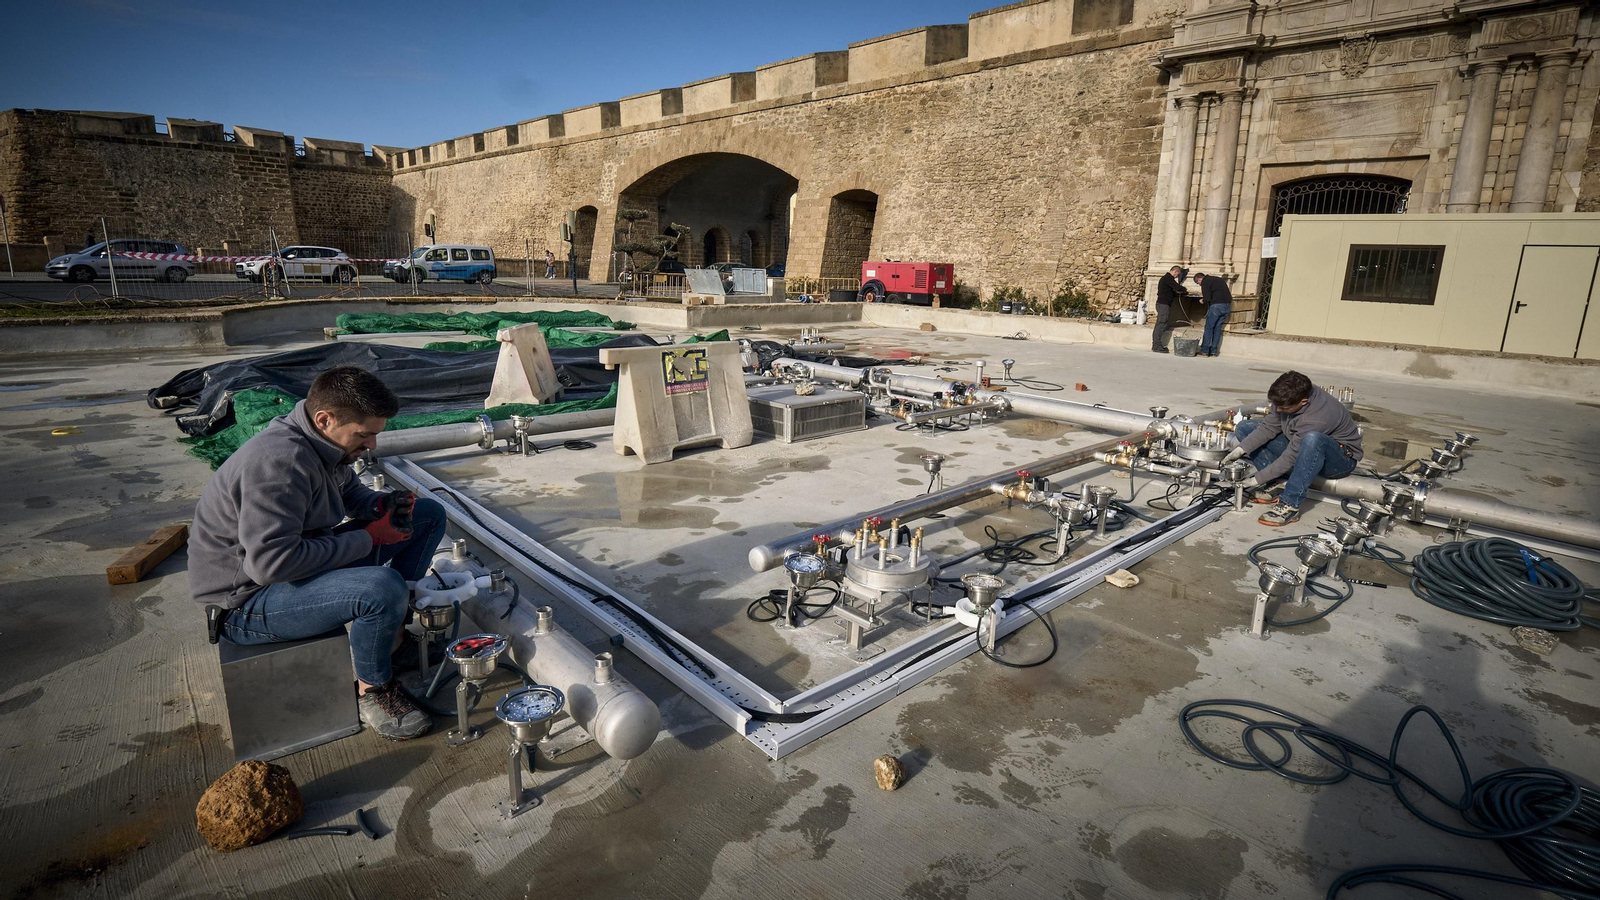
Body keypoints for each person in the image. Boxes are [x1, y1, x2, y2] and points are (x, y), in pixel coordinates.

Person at [189, 366, 447, 740]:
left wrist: (382, 506)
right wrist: (371, 538)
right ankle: (373, 690)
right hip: (246, 603)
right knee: (380, 588)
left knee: (427, 516)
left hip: (289, 570)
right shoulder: (277, 463)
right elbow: (271, 564)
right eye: (365, 435)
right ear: (325, 419)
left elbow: (348, 494)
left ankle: (391, 640)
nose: (372, 445)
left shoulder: (320, 442)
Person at [1222, 370, 1362, 527]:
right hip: (1303, 446)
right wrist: (1240, 450)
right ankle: (1277, 484)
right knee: (1245, 428)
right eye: (1277, 405)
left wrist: (1256, 479)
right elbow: (1268, 427)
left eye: (1284, 408)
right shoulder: (1287, 396)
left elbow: (1290, 457)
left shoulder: (1319, 416)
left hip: (1339, 461)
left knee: (1312, 439)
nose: (1279, 410)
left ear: (1303, 402)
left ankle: (1290, 503)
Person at [1193, 272, 1233, 357]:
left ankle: (1204, 351)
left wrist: (1202, 300)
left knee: (1209, 327)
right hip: (1227, 306)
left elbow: (1207, 297)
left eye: (1198, 283)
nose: (1200, 285)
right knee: (1217, 328)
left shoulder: (1205, 282)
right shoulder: (1218, 279)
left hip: (1216, 306)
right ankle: (1214, 351)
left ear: (1199, 279)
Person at [1152, 265, 1188, 353]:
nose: (1177, 276)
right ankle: (1156, 345)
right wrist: (1184, 289)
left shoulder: (1166, 279)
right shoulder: (1168, 278)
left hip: (1163, 304)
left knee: (1161, 324)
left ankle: (1156, 344)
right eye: (1177, 274)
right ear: (1175, 271)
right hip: (1163, 304)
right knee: (1161, 324)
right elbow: (1178, 287)